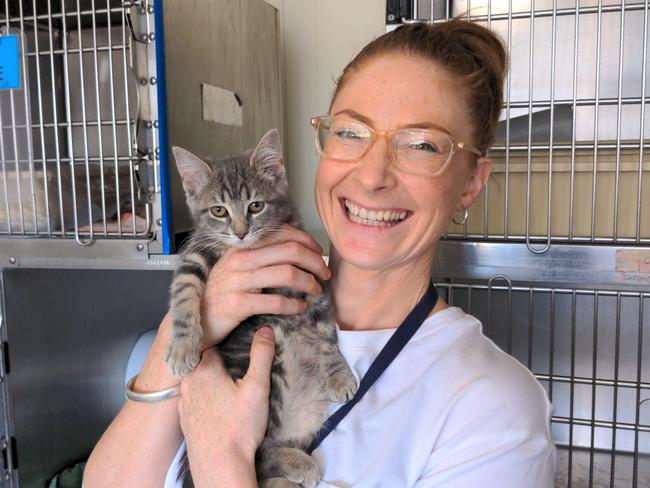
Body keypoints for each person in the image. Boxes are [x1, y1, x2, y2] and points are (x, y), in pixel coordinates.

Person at [84, 19, 556, 488]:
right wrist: (188, 324)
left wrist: (220, 460)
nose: (373, 176)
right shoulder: (222, 309)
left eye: (421, 145)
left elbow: (209, 459)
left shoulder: (495, 412)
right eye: (351, 133)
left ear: (471, 184)